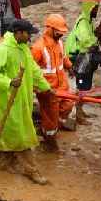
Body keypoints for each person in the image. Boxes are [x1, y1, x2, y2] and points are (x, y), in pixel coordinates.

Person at [0, 19, 52, 184]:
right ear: (19, 32)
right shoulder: (2, 49)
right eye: (28, 34)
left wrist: (46, 87)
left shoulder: (22, 48)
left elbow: (33, 69)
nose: (30, 38)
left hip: (21, 99)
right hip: (6, 100)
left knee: (11, 135)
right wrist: (9, 82)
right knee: (22, 136)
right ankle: (32, 170)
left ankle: (4, 164)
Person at [32, 14, 74, 151]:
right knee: (51, 116)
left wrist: (70, 66)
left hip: (62, 86)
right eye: (58, 32)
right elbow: (30, 69)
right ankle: (50, 141)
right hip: (48, 89)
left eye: (62, 33)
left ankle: (50, 128)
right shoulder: (39, 47)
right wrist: (36, 87)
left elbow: (64, 58)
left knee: (68, 105)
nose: (61, 35)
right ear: (50, 29)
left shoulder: (60, 43)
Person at [64, 1, 100, 93]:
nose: (97, 11)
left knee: (84, 80)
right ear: (89, 8)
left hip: (84, 57)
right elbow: (85, 40)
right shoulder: (83, 21)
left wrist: (95, 34)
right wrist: (96, 39)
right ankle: (79, 101)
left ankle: (80, 101)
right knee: (81, 81)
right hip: (80, 57)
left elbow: (88, 37)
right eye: (95, 8)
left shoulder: (88, 21)